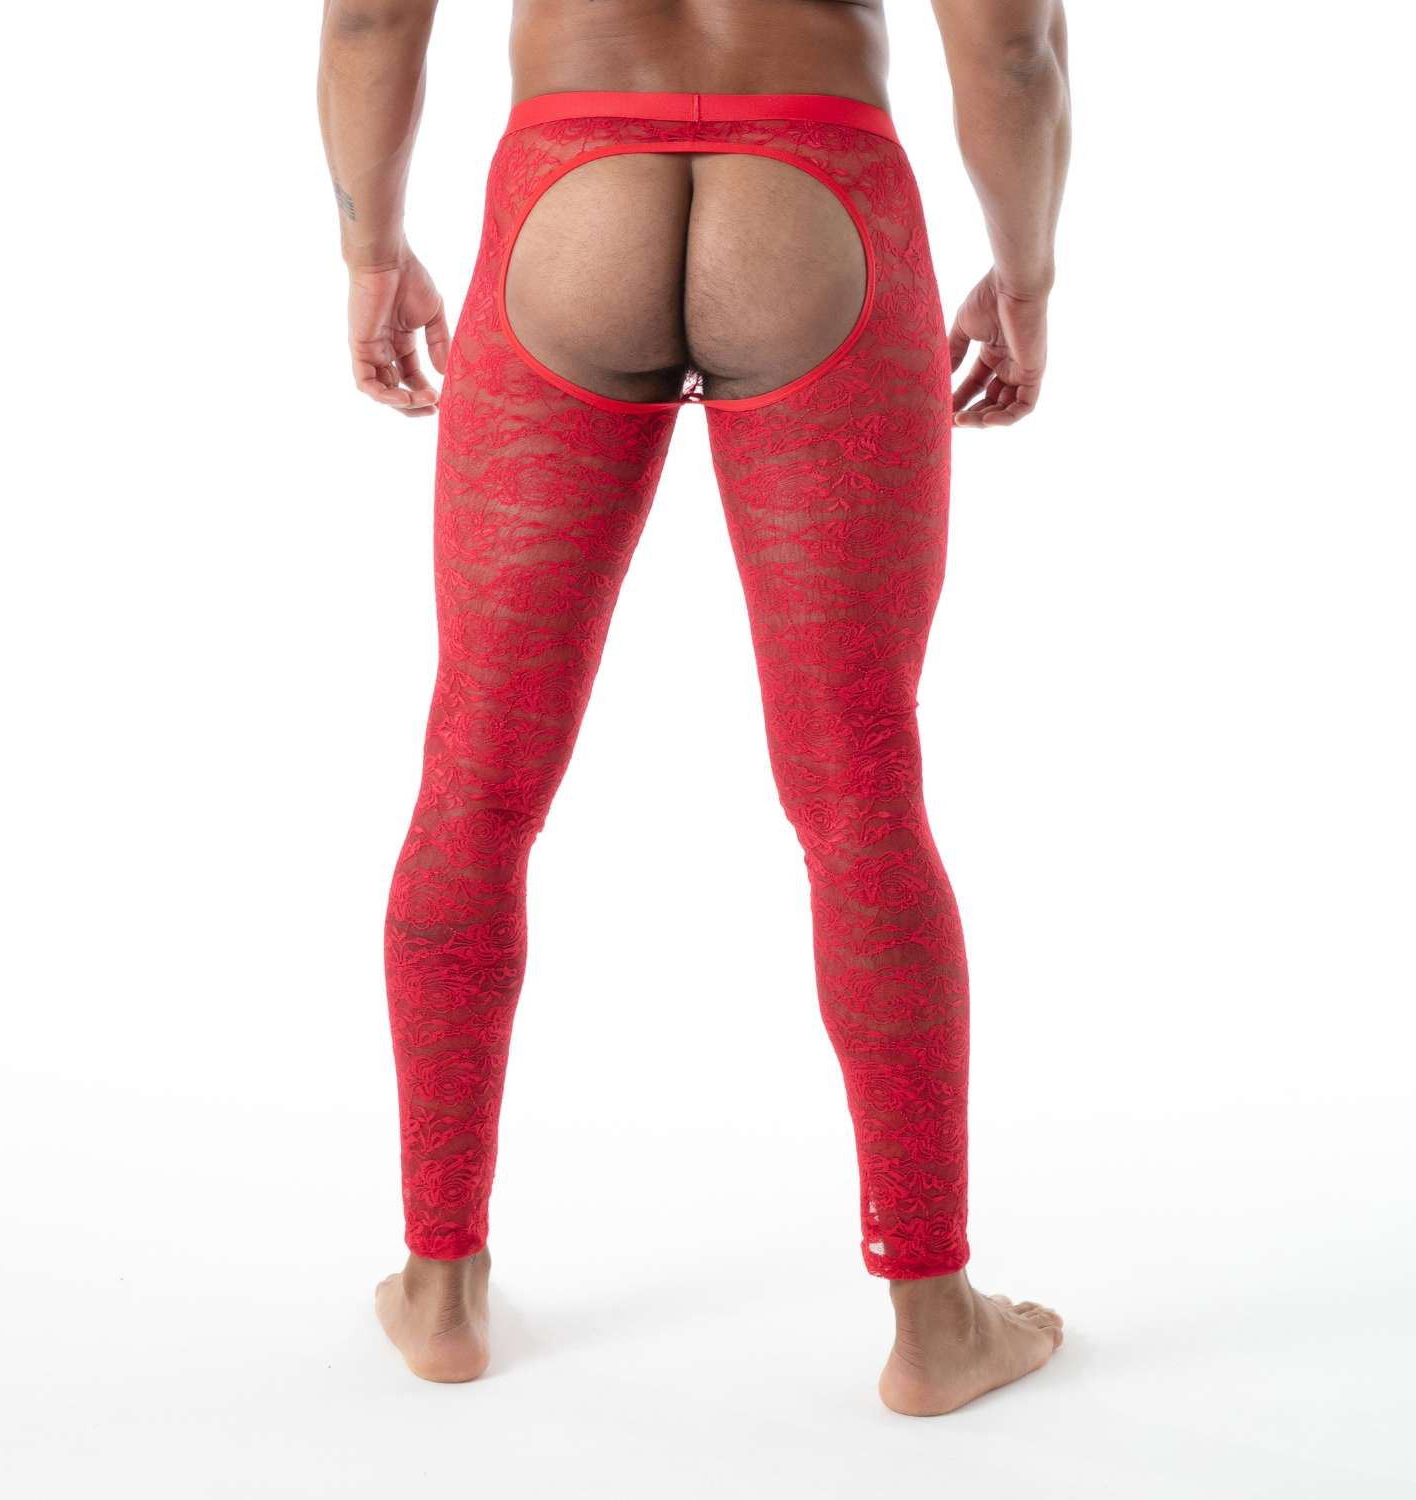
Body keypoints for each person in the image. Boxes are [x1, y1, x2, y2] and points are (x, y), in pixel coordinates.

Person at [317, 0, 1071, 1416]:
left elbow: (368, 20)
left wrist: (372, 249)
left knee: (477, 781)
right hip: (816, 201)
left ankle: (440, 1285)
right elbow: (1013, 48)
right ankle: (933, 1318)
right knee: (859, 795)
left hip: (567, 202)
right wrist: (1024, 275)